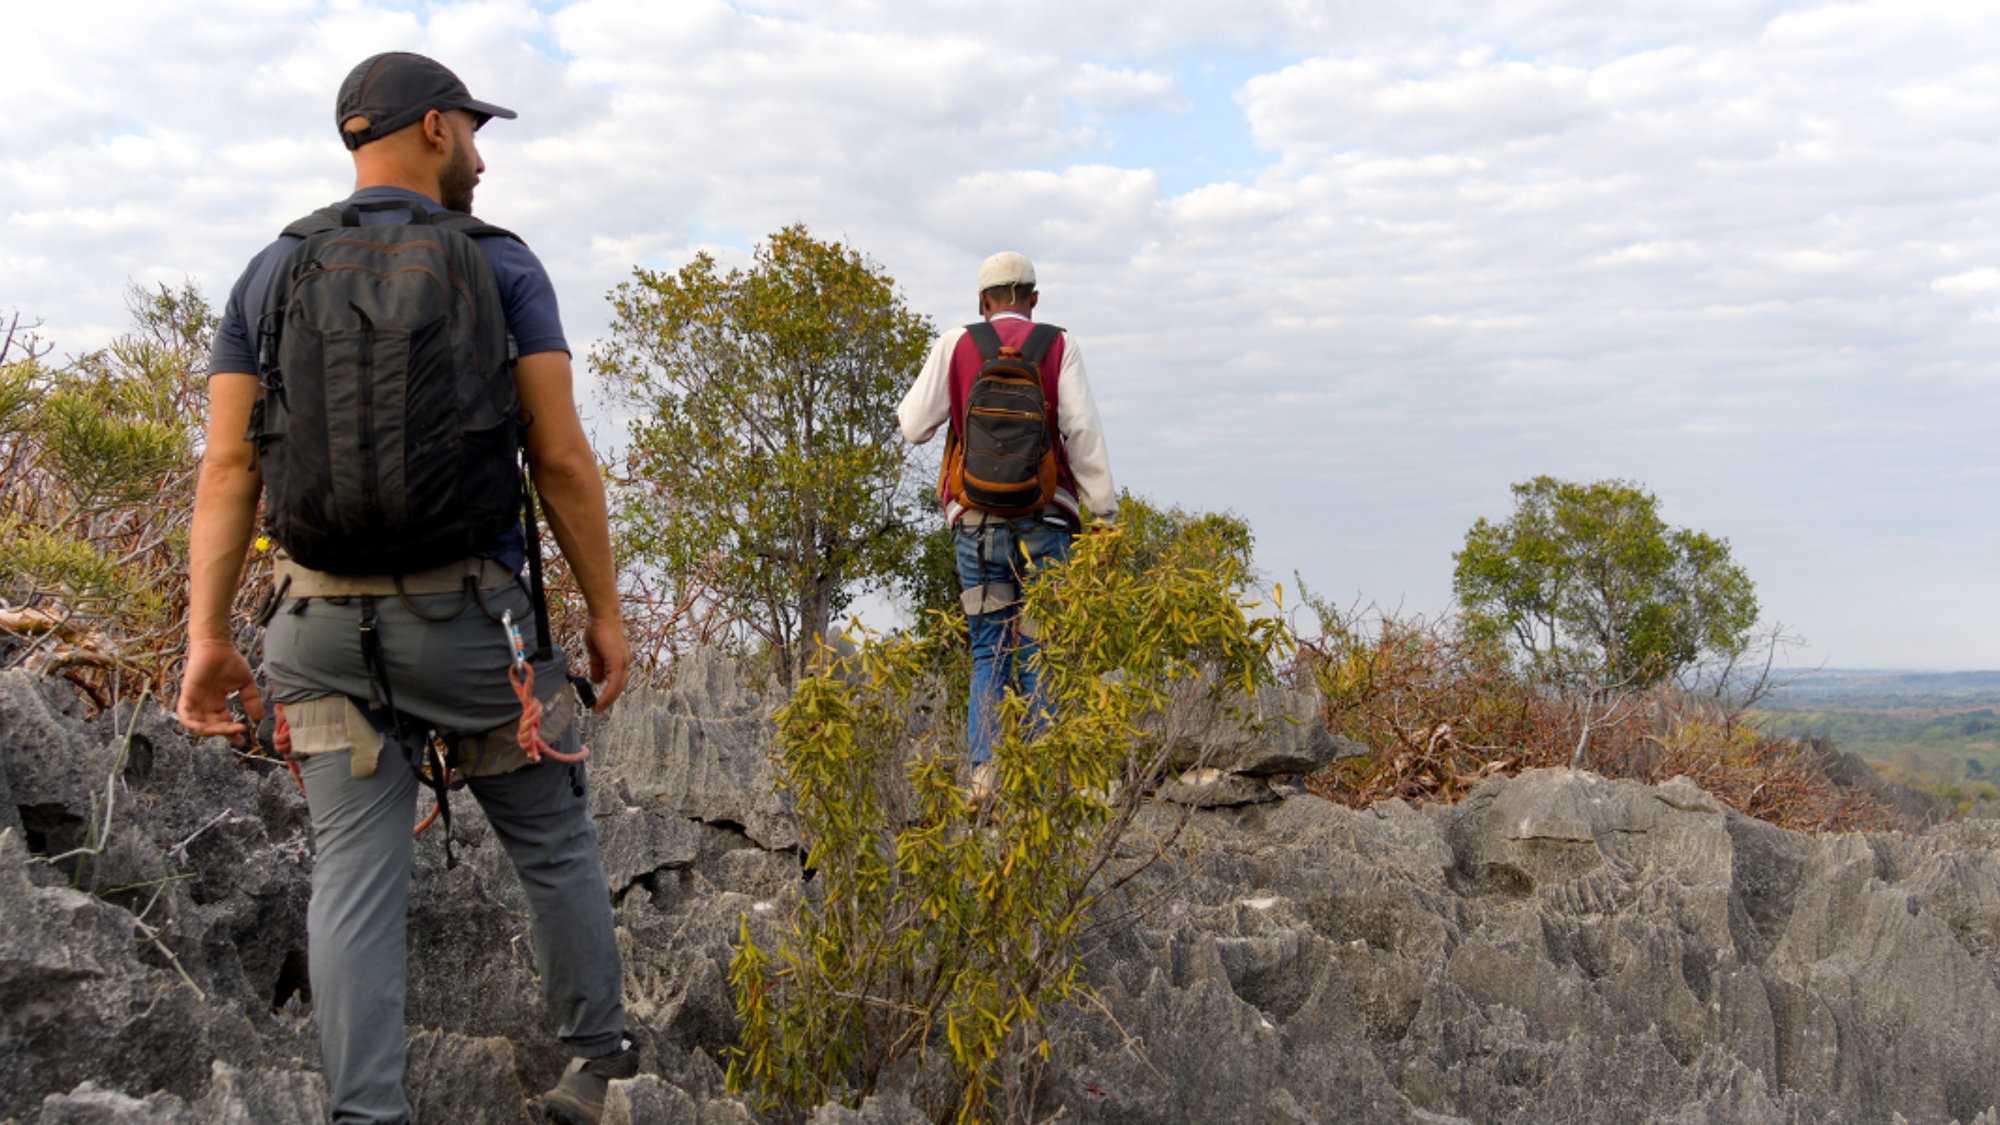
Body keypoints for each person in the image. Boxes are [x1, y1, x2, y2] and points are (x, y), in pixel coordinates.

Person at [176, 52, 637, 1125]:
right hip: (473, 633)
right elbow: (559, 459)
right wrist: (603, 614)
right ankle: (595, 1059)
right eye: (473, 130)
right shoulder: (500, 265)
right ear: (433, 127)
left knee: (351, 872)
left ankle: (366, 1113)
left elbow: (229, 467)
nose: (479, 153)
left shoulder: (270, 271)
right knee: (553, 837)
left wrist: (207, 637)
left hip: (317, 630)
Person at [896, 252, 1116, 791]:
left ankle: (985, 778)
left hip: (975, 521)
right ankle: (1043, 783)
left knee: (988, 648)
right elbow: (1081, 432)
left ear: (983, 302)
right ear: (1033, 299)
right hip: (1049, 521)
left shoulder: (956, 344)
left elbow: (912, 426)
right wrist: (1103, 512)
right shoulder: (1058, 344)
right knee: (1042, 647)